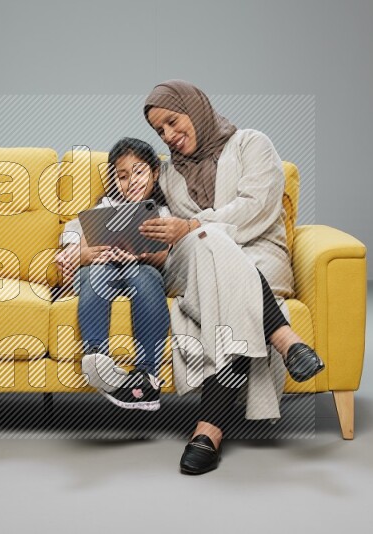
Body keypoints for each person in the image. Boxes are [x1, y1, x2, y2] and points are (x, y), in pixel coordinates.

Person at [137, 80, 325, 475]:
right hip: (191, 264)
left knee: (221, 271)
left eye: (172, 121)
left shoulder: (252, 144)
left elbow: (256, 208)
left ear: (195, 108)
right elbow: (161, 225)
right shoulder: (167, 175)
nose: (169, 136)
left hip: (258, 252)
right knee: (208, 243)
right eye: (160, 132)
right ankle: (284, 338)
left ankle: (209, 429)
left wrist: (192, 225)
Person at [55, 138, 172, 411]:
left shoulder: (162, 211)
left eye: (139, 172)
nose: (131, 181)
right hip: (102, 267)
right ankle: (97, 357)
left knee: (148, 278)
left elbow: (165, 255)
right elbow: (81, 243)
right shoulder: (105, 205)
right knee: (94, 275)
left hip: (140, 269)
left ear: (155, 173)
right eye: (122, 176)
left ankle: (147, 373)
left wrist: (143, 253)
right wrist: (85, 253)